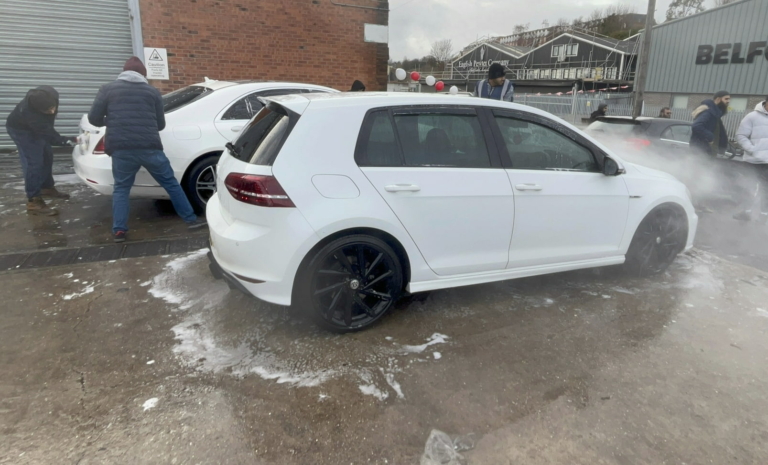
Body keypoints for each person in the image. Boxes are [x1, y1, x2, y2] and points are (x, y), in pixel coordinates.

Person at [88, 57, 206, 243]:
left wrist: (112, 121)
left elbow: (94, 119)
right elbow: (160, 124)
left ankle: (119, 230)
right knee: (170, 183)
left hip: (121, 149)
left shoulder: (107, 90)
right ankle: (191, 220)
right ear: (143, 74)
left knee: (121, 188)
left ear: (123, 72)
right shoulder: (152, 92)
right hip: (150, 148)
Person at [5, 86, 76, 216]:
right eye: (48, 110)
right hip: (21, 131)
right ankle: (33, 201)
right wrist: (69, 140)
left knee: (47, 156)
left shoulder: (51, 93)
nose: (53, 110)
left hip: (37, 128)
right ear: (38, 109)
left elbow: (47, 128)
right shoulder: (30, 114)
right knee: (34, 162)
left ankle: (47, 187)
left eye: (53, 107)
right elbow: (48, 135)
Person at [732, 96, 768, 222]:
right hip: (752, 161)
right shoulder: (752, 117)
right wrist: (753, 150)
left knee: (766, 189)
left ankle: (764, 216)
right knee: (749, 187)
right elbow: (741, 135)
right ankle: (745, 213)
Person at [689, 90, 730, 157]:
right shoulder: (708, 112)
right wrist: (710, 137)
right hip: (702, 151)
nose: (728, 101)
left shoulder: (716, 115)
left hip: (709, 151)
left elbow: (720, 134)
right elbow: (696, 126)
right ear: (718, 99)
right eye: (726, 99)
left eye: (729, 99)